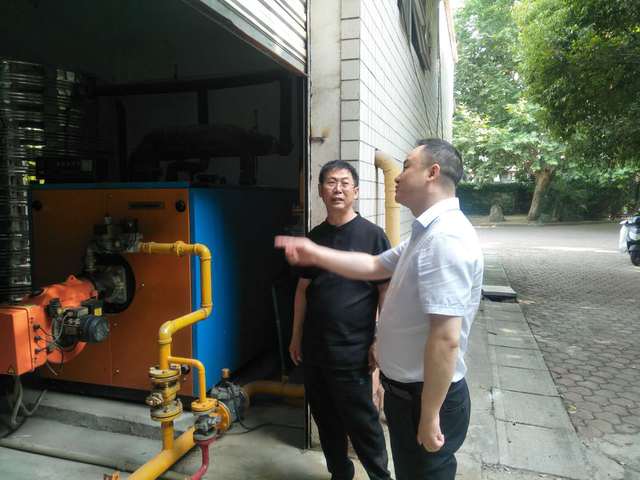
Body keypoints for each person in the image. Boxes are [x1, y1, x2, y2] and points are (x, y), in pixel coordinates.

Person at [276, 139, 483, 480]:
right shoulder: (425, 233)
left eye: (407, 166)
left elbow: (446, 339)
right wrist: (314, 252)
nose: (397, 176)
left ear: (432, 173)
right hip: (407, 392)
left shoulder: (446, 240)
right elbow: (373, 266)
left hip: (424, 396)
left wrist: (430, 414)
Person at [290, 159, 392, 480]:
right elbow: (302, 290)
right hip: (316, 350)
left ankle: (380, 476)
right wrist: (296, 336)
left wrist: (380, 339)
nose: (338, 189)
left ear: (356, 191)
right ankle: (340, 474)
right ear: (321, 191)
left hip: (354, 351)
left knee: (363, 424)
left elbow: (385, 292)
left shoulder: (373, 236)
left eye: (345, 183)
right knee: (326, 420)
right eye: (331, 183)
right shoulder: (314, 237)